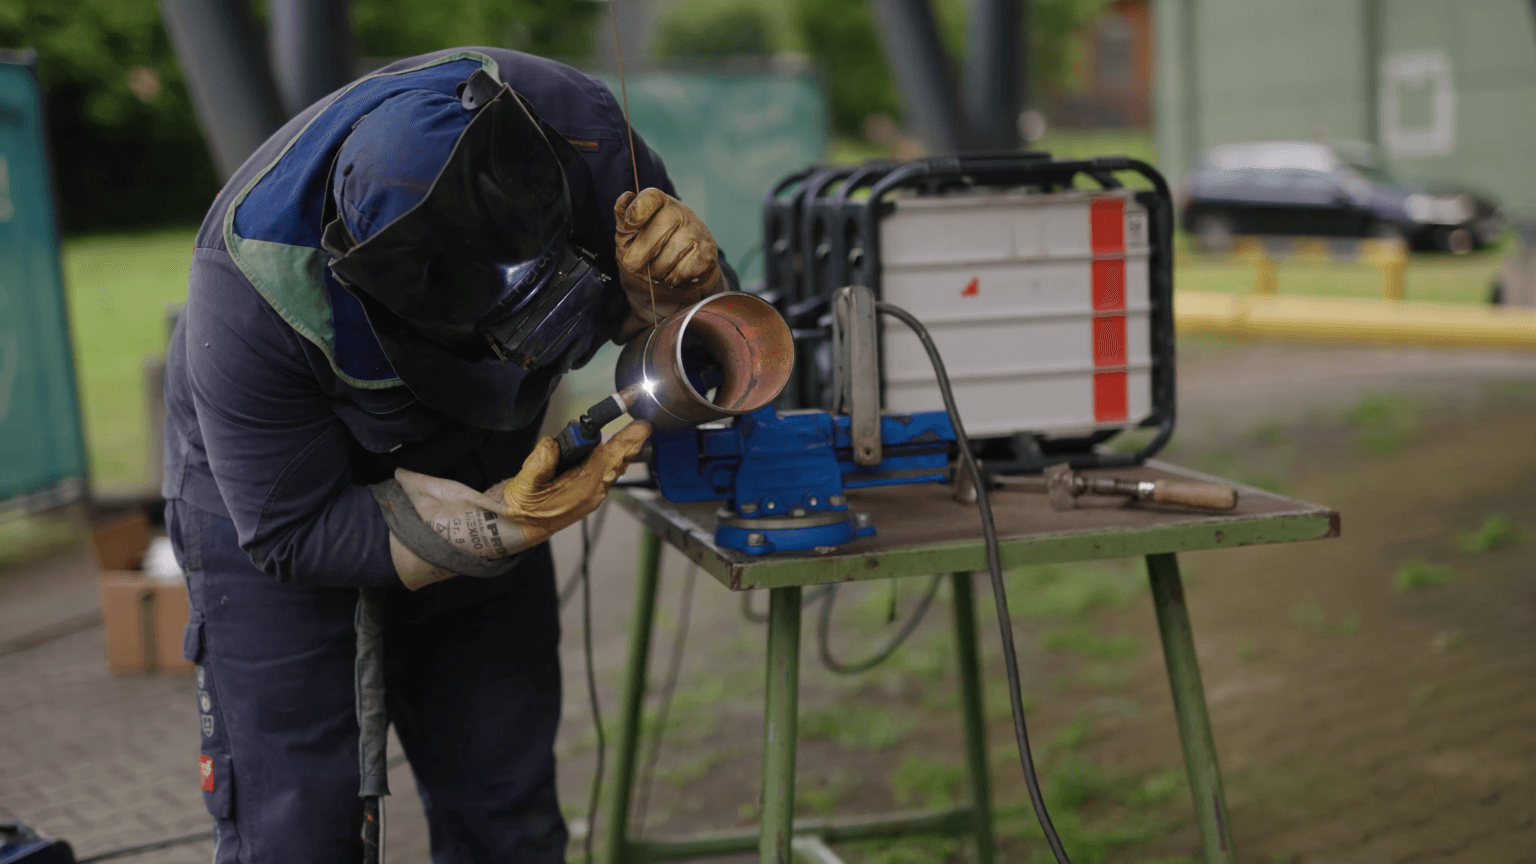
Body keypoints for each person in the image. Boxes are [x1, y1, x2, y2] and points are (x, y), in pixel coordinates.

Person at [161, 47, 732, 863]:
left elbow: (721, 366)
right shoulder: (249, 294)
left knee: (505, 808)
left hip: (480, 460)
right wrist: (494, 526)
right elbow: (291, 531)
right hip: (277, 498)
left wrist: (688, 295)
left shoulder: (585, 145)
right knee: (299, 830)